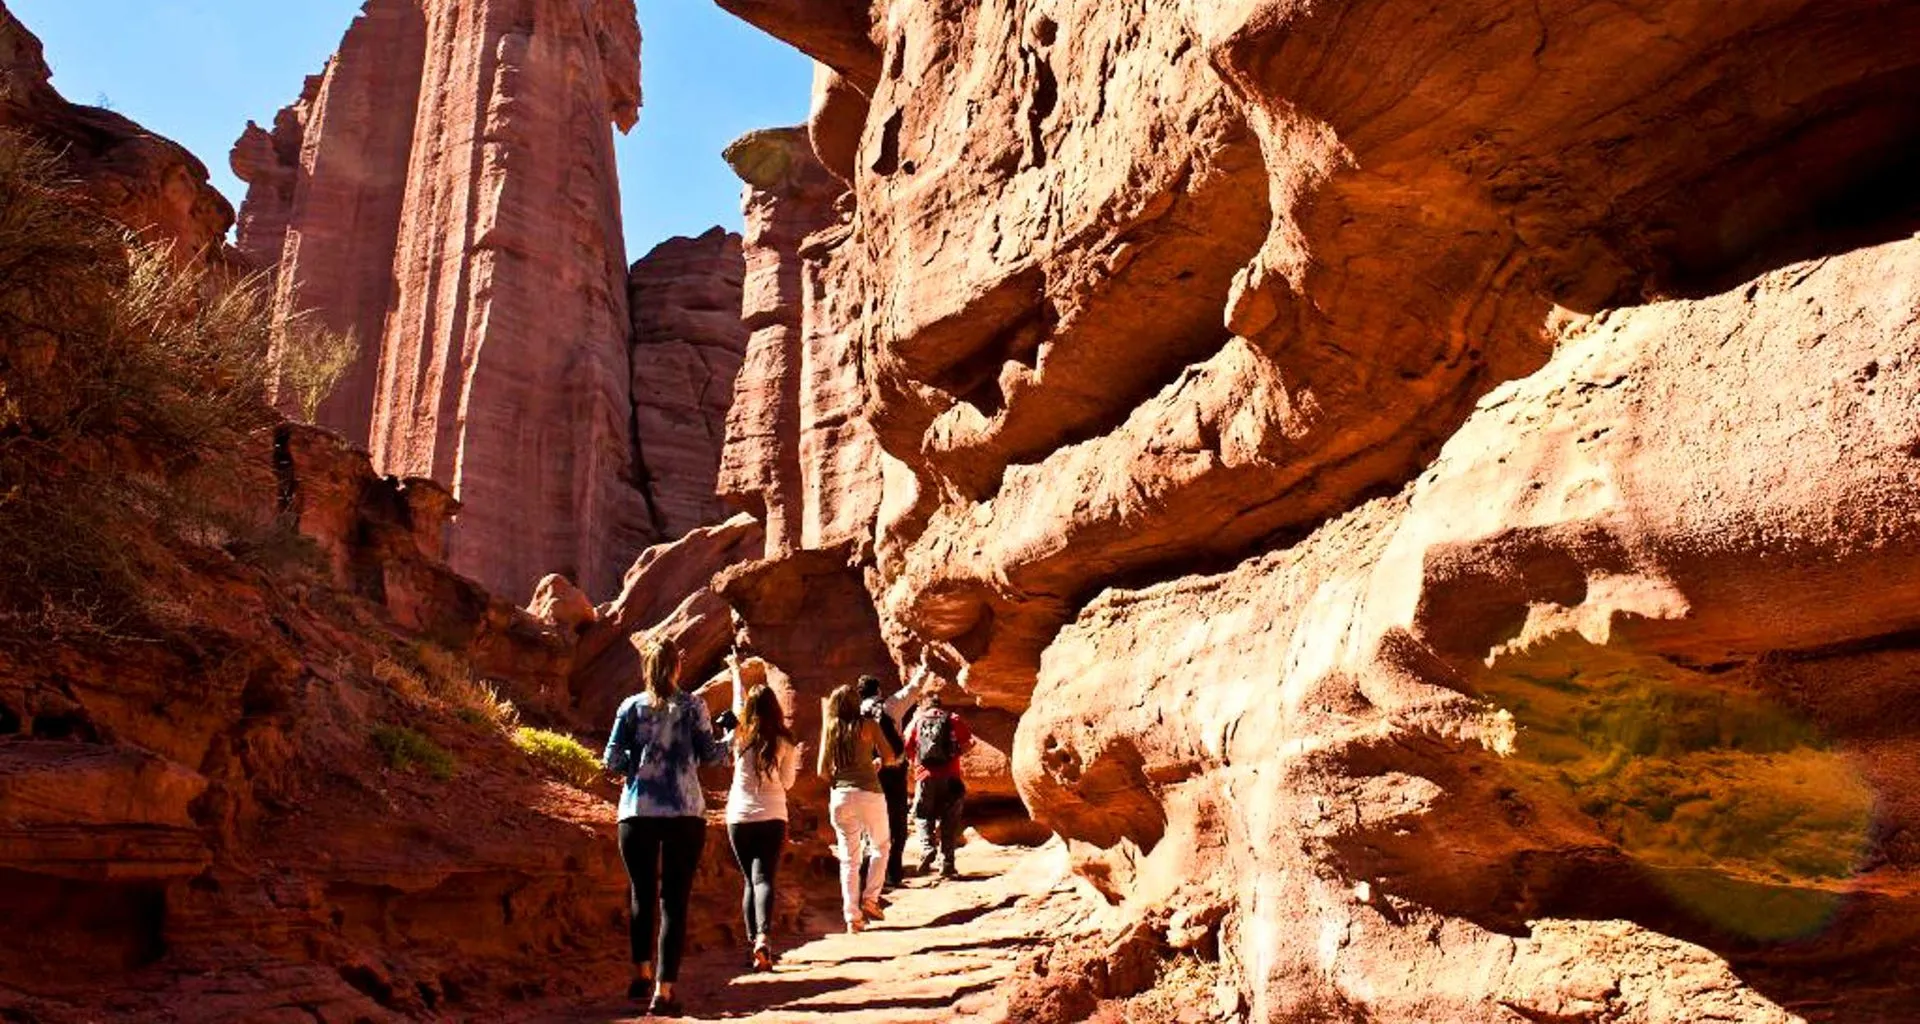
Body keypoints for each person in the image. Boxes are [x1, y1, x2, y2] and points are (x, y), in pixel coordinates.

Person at [602, 636, 728, 1016]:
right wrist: (731, 737)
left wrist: (636, 773)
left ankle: (640, 974)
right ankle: (664, 991)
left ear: (646, 669)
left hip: (637, 811)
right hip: (684, 812)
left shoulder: (630, 707)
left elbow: (611, 758)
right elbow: (711, 756)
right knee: (674, 901)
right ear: (677, 667)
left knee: (641, 894)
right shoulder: (693, 706)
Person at [725, 661, 800, 973]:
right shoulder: (784, 741)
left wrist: (735, 675)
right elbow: (787, 783)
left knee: (749, 882)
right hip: (772, 815)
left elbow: (736, 706)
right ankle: (763, 941)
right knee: (764, 878)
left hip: (739, 817)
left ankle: (751, 943)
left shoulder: (738, 737)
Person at [819, 682, 900, 932]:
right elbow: (890, 757)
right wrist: (874, 764)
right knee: (881, 846)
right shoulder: (869, 725)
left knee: (848, 859)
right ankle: (871, 899)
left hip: (841, 797)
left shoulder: (830, 729)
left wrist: (840, 783)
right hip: (869, 793)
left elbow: (821, 771)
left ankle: (852, 917)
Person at [904, 690, 975, 880]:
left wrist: (918, 763)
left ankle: (927, 848)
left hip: (925, 776)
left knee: (921, 815)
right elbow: (970, 742)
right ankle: (947, 865)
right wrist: (955, 754)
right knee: (949, 821)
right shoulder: (952, 718)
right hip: (951, 775)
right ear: (939, 704)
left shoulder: (917, 721)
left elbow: (907, 747)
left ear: (923, 705)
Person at [857, 670, 917, 889]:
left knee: (869, 824)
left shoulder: (855, 714)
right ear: (878, 690)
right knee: (896, 822)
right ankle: (893, 873)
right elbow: (913, 690)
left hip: (867, 773)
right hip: (893, 771)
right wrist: (925, 667)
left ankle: (867, 873)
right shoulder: (889, 706)